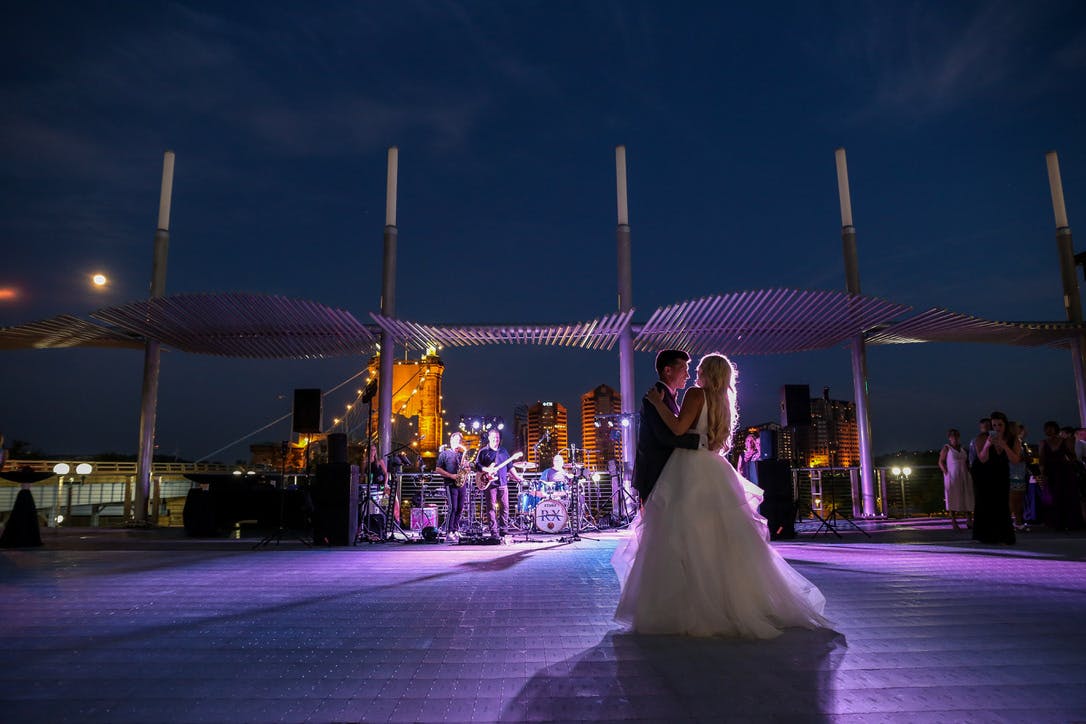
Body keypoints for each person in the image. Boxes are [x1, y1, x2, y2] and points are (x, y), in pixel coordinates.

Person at [612, 353, 830, 638]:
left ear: (708, 373)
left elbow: (677, 428)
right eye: (689, 368)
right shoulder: (724, 401)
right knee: (718, 536)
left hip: (689, 467)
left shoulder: (694, 394)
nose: (693, 373)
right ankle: (730, 602)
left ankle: (689, 603)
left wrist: (657, 403)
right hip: (714, 467)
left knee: (684, 534)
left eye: (698, 369)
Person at [632, 349, 703, 507]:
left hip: (667, 474)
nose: (688, 375)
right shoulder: (654, 396)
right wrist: (701, 442)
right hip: (655, 474)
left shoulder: (669, 397)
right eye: (683, 369)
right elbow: (665, 437)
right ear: (668, 370)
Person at [972, 411, 1019, 545]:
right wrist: (988, 445)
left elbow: (1015, 460)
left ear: (1005, 425)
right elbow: (982, 459)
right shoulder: (983, 437)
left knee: (1002, 503)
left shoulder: (1012, 439)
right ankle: (987, 535)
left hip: (1002, 472)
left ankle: (1004, 535)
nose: (997, 428)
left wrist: (1004, 446)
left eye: (1000, 425)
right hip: (984, 473)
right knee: (985, 502)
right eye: (994, 425)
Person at [475, 429, 524, 541]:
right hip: (489, 484)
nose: (495, 439)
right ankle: (494, 532)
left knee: (505, 507)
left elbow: (510, 466)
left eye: (497, 437)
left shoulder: (503, 451)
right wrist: (487, 469)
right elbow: (477, 465)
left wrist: (517, 477)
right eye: (493, 437)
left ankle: (503, 530)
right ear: (489, 438)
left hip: (503, 483)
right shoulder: (483, 451)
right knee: (491, 508)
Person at [434, 432, 469, 542]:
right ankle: (449, 532)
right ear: (451, 441)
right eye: (456, 440)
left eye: (459, 440)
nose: (458, 442)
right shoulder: (444, 454)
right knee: (453, 508)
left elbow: (467, 469)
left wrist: (467, 468)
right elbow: (438, 469)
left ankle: (455, 529)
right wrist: (451, 476)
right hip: (450, 484)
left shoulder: (461, 454)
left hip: (461, 484)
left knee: (460, 508)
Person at [937, 428, 973, 530]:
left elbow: (967, 461)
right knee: (952, 496)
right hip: (952, 475)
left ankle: (969, 520)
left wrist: (969, 471)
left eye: (956, 436)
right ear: (949, 438)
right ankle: (954, 521)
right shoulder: (947, 448)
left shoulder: (962, 448)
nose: (955, 438)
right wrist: (946, 472)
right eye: (953, 436)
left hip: (964, 474)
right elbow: (940, 461)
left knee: (967, 496)